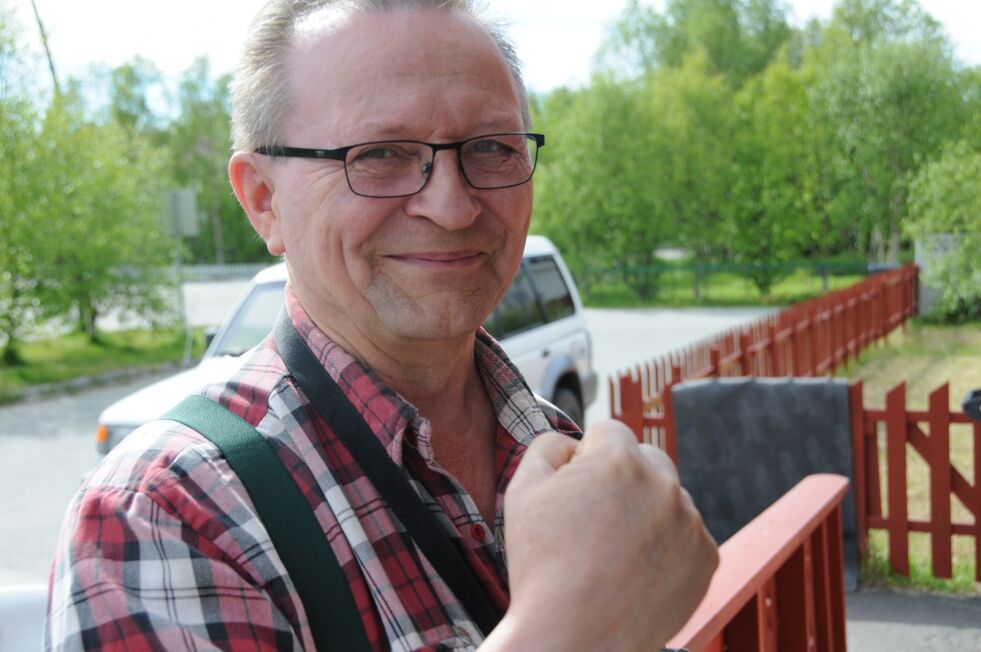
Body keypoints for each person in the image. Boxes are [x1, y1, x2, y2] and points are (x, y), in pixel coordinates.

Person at [45, 1, 718, 649]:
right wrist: (568, 630)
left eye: (490, 147)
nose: (452, 206)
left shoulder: (556, 447)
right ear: (262, 200)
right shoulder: (166, 514)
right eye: (378, 155)